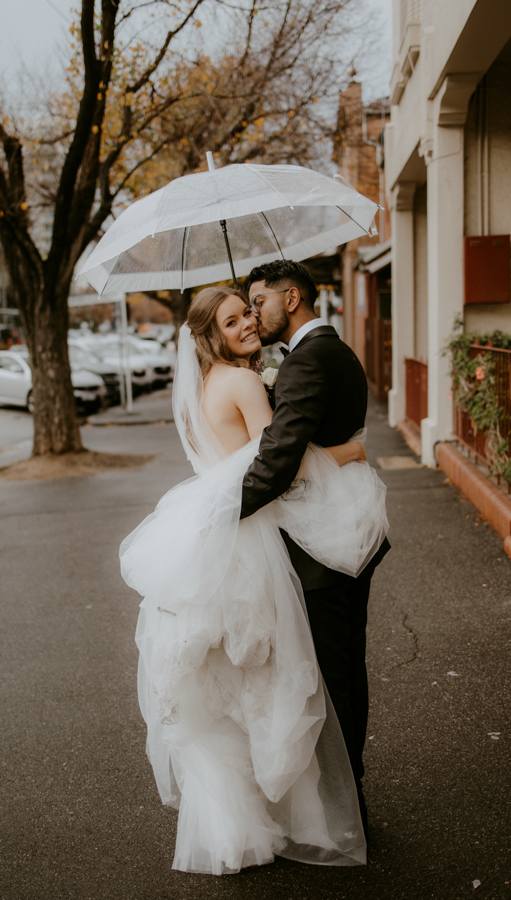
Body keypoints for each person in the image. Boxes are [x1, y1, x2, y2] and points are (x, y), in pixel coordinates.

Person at [120, 283, 388, 875]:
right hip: (254, 544)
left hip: (219, 544)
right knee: (278, 678)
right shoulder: (242, 383)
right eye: (234, 319)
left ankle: (240, 822)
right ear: (212, 334)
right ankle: (305, 810)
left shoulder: (198, 391)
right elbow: (283, 467)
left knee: (232, 687)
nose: (247, 324)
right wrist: (349, 453)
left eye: (248, 313)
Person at [240, 259, 391, 836]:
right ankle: (351, 793)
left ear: (292, 296)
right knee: (349, 665)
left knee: (329, 675)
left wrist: (227, 515)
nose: (255, 313)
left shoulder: (305, 362)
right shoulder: (337, 350)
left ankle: (347, 810)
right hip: (355, 523)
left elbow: (278, 460)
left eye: (259, 300)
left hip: (323, 542)